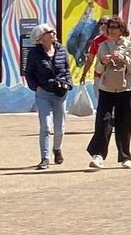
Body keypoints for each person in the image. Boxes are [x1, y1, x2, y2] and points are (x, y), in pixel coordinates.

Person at [87, 16, 131, 169]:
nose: (110, 30)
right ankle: (98, 155)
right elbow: (97, 69)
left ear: (122, 29)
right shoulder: (103, 45)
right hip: (106, 88)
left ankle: (125, 157)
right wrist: (104, 61)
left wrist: (124, 58)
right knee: (103, 121)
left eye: (114, 27)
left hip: (126, 88)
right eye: (109, 27)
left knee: (124, 122)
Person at [24, 22, 73, 170]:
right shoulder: (34, 53)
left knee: (59, 128)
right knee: (45, 126)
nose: (54, 33)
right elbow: (29, 73)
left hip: (60, 93)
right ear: (41, 37)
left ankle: (57, 149)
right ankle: (45, 158)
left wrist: (68, 83)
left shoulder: (61, 51)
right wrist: (36, 87)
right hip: (43, 93)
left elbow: (66, 70)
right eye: (50, 32)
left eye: (53, 31)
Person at [79, 15, 111, 95]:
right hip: (99, 75)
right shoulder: (96, 40)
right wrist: (84, 75)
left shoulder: (116, 39)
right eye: (101, 23)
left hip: (113, 75)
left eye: (106, 23)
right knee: (100, 102)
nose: (103, 25)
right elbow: (90, 59)